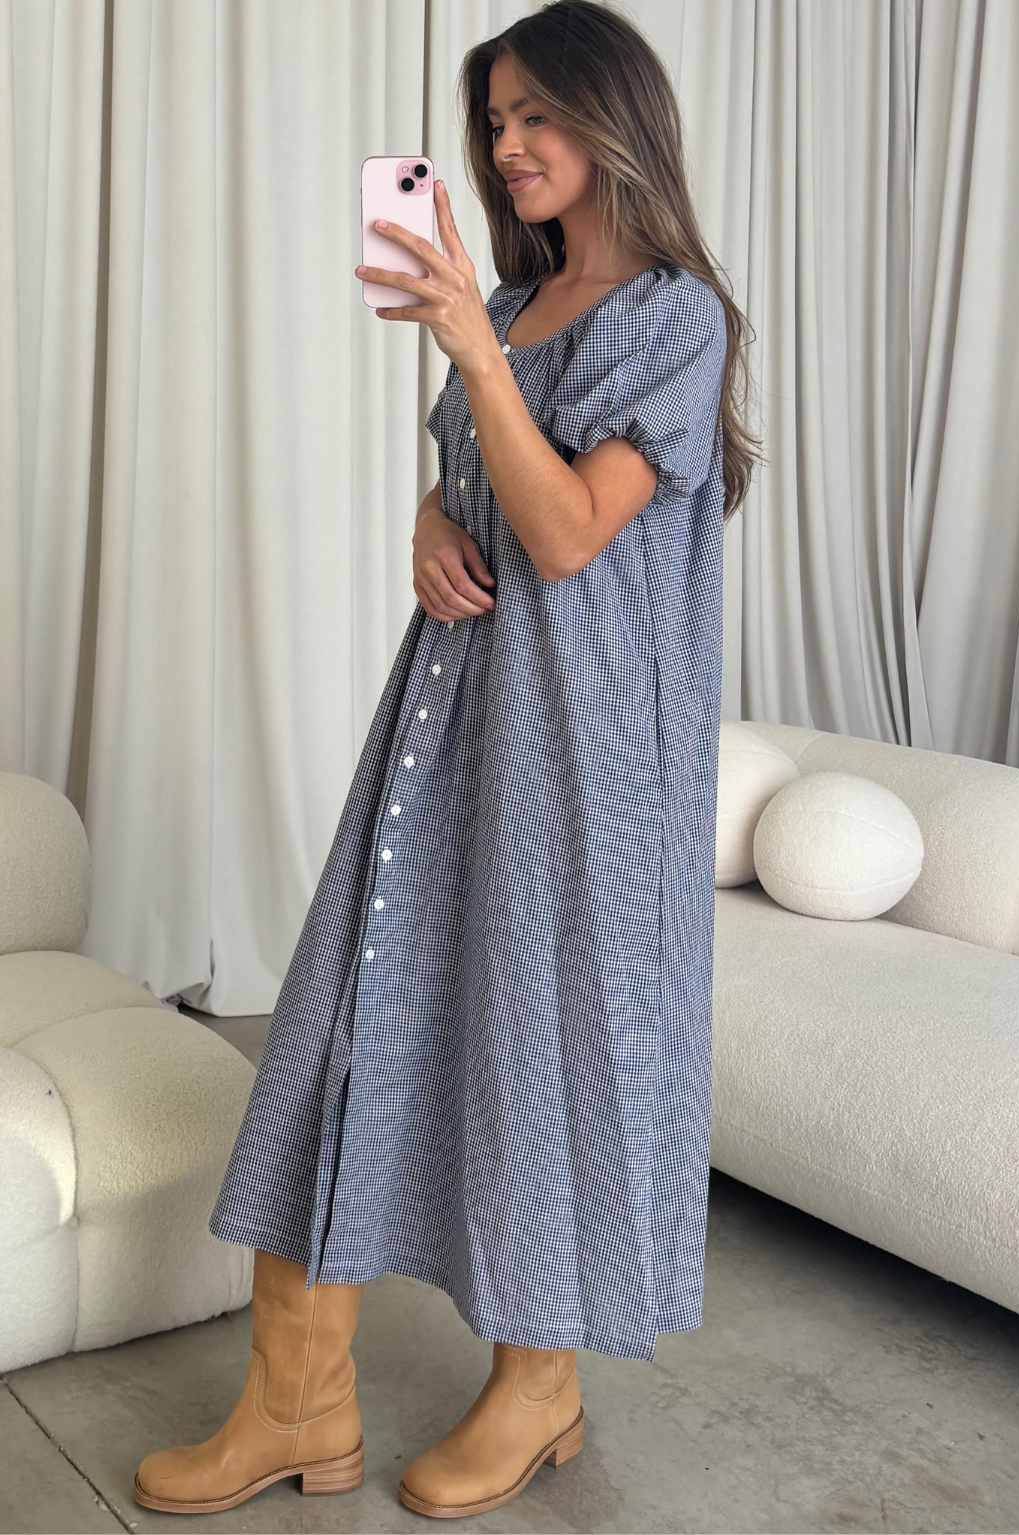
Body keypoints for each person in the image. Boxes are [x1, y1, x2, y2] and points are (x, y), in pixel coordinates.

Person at [134, 0, 761, 1519]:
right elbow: (478, 487)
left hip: (588, 762)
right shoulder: (523, 298)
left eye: (537, 114)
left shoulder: (674, 318)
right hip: (449, 723)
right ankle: (297, 1403)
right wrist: (429, 520)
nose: (508, 144)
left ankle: (539, 1390)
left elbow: (570, 530)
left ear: (614, 119)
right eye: (494, 121)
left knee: (543, 1051)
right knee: (342, 1025)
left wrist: (474, 346)